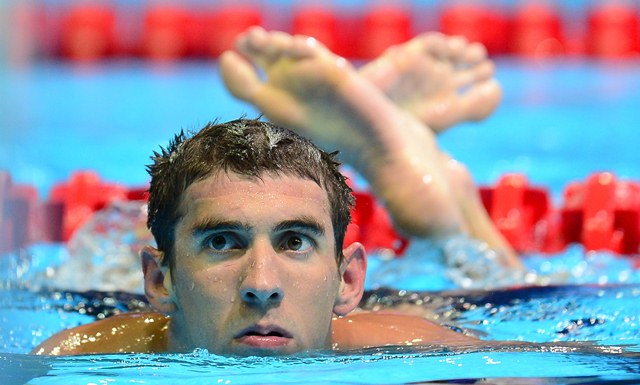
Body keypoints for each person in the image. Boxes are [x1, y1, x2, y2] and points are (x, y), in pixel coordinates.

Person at [31, 28, 518, 356]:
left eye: (294, 241)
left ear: (348, 281)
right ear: (159, 282)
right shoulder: (75, 360)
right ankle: (340, 148)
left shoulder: (415, 344)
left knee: (465, 299)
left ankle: (436, 204)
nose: (261, 284)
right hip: (150, 301)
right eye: (222, 242)